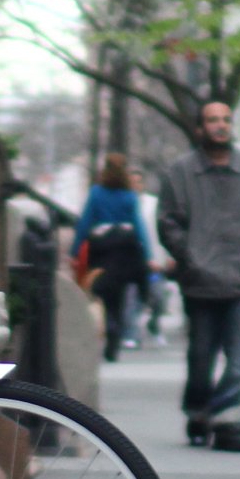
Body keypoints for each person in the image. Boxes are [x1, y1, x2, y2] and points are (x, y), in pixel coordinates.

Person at [155, 101, 240, 453]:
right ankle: (198, 410)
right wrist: (190, 255)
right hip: (201, 280)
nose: (221, 126)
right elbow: (167, 222)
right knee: (201, 355)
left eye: (226, 119)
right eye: (213, 120)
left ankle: (227, 417)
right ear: (200, 128)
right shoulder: (180, 172)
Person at [75, 153, 152, 362]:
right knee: (118, 298)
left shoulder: (97, 193)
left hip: (101, 250)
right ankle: (114, 338)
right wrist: (146, 254)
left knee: (100, 292)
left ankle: (105, 328)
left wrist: (76, 249)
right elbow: (138, 225)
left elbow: (85, 222)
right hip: (124, 252)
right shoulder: (129, 196)